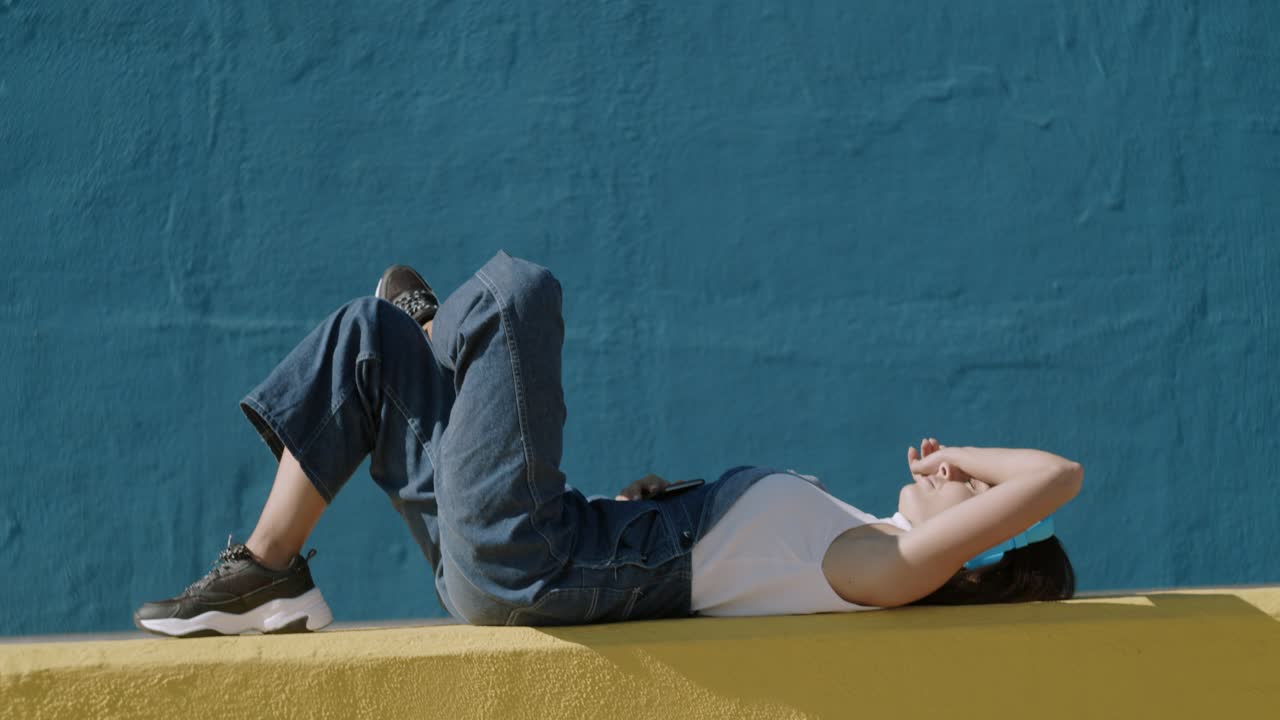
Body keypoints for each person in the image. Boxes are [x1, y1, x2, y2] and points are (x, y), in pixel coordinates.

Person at [133, 251, 1082, 637]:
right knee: (366, 336)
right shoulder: (854, 534)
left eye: (963, 486)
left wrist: (957, 449)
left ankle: (438, 343)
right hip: (534, 550)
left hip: (533, 561)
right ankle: (271, 574)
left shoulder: (892, 566)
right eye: (959, 471)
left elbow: (1055, 475)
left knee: (517, 294)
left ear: (974, 551)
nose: (948, 471)